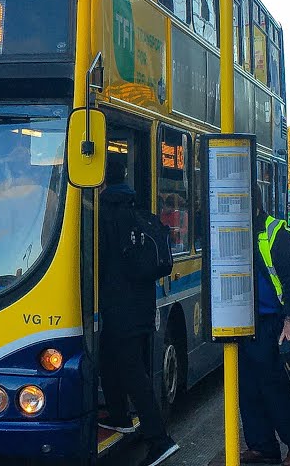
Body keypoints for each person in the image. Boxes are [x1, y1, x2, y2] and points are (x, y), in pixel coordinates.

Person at [97, 155, 179, 466]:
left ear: (101, 180)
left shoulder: (105, 213)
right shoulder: (134, 208)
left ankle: (160, 440)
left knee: (134, 374)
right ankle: (118, 415)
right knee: (109, 357)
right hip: (141, 306)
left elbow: (102, 261)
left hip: (121, 309)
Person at [239, 188, 290, 466]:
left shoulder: (276, 233)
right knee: (248, 388)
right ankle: (262, 445)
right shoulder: (238, 230)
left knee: (273, 387)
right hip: (246, 322)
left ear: (254, 204)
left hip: (273, 322)